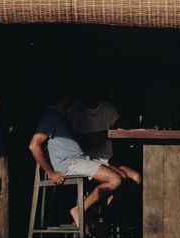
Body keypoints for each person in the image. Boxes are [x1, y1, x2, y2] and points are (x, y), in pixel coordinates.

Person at [29, 95, 133, 228]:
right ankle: (81, 210)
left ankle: (89, 213)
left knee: (123, 177)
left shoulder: (63, 115)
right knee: (115, 179)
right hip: (70, 163)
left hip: (81, 159)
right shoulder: (51, 115)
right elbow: (34, 145)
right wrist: (50, 172)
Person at [70, 95, 141, 185]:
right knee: (121, 177)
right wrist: (104, 134)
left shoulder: (108, 108)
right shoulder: (75, 110)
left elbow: (119, 126)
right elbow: (82, 140)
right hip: (87, 160)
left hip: (107, 159)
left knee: (136, 177)